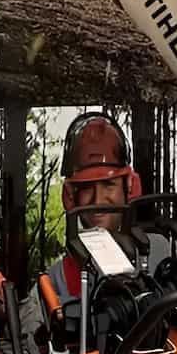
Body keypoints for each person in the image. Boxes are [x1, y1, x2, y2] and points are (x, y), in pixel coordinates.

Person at [46, 113, 141, 304]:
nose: (98, 199)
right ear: (71, 196)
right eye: (87, 187)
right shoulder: (56, 280)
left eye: (108, 184)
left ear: (130, 187)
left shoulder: (161, 260)